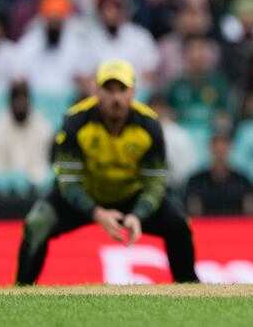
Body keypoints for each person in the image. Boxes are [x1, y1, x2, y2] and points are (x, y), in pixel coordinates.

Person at [15, 59, 198, 285]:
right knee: (37, 223)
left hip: (132, 196)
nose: (116, 98)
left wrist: (138, 215)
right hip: (85, 196)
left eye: (122, 90)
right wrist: (97, 213)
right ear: (96, 91)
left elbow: (155, 182)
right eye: (109, 90)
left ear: (133, 92)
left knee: (179, 225)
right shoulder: (75, 122)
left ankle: (190, 288)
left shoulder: (149, 125)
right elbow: (68, 181)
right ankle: (20, 290)